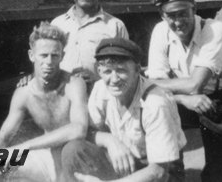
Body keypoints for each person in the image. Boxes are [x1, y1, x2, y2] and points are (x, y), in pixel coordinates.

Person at [146, 0, 222, 182]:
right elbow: (154, 83)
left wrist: (157, 84)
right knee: (158, 114)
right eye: (171, 15)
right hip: (185, 99)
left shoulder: (213, 29)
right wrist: (182, 99)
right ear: (162, 16)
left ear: (194, 11)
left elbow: (196, 84)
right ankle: (172, 177)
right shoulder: (160, 31)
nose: (178, 21)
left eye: (183, 14)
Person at [59, 37, 187, 182]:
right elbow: (85, 131)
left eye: (121, 70)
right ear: (98, 70)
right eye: (107, 71)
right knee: (73, 149)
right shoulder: (100, 89)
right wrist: (109, 140)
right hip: (126, 162)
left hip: (161, 172)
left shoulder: (155, 102)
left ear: (137, 70)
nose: (114, 79)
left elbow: (159, 172)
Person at [0, 22, 88, 182]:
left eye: (55, 55)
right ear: (32, 55)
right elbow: (4, 135)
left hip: (74, 157)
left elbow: (78, 129)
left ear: (62, 56)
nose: (49, 61)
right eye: (43, 55)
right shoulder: (24, 92)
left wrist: (23, 147)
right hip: (45, 157)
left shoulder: (74, 84)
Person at [51, 0, 129, 88]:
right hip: (63, 95)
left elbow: (125, 68)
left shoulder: (115, 26)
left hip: (100, 97)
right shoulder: (57, 24)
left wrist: (97, 80)